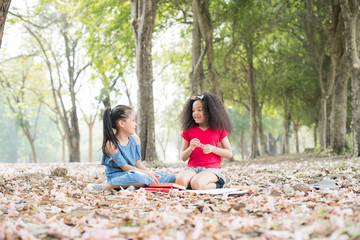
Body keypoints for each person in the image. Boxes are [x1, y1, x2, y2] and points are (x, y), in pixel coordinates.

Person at [87, 105, 176, 191]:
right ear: (122, 123)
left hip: (136, 172)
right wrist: (146, 174)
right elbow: (125, 167)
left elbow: (138, 164)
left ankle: (133, 186)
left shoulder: (136, 139)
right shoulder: (111, 144)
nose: (135, 124)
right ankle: (107, 186)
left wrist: (151, 173)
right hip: (119, 176)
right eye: (133, 121)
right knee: (140, 177)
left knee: (170, 177)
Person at [175, 93, 233, 190]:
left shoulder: (219, 129)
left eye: (199, 110)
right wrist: (190, 148)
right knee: (180, 181)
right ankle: (194, 183)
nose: (195, 113)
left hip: (211, 169)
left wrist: (212, 148)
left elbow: (229, 153)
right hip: (192, 168)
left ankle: (219, 183)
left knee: (197, 184)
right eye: (193, 110)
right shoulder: (188, 130)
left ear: (209, 112)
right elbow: (183, 157)